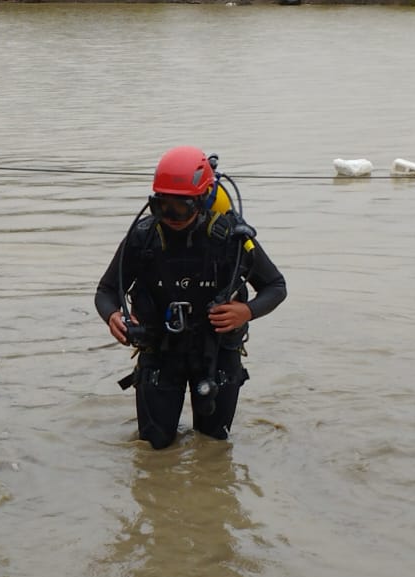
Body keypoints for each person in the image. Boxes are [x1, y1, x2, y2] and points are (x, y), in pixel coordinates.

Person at [95, 146, 287, 450]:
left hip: (217, 356)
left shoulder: (232, 240)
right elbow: (106, 291)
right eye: (162, 206)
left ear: (201, 201)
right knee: (155, 444)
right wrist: (113, 316)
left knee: (214, 448)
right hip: (159, 352)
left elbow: (276, 286)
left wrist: (247, 311)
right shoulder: (143, 237)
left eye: (179, 208)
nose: (170, 216)